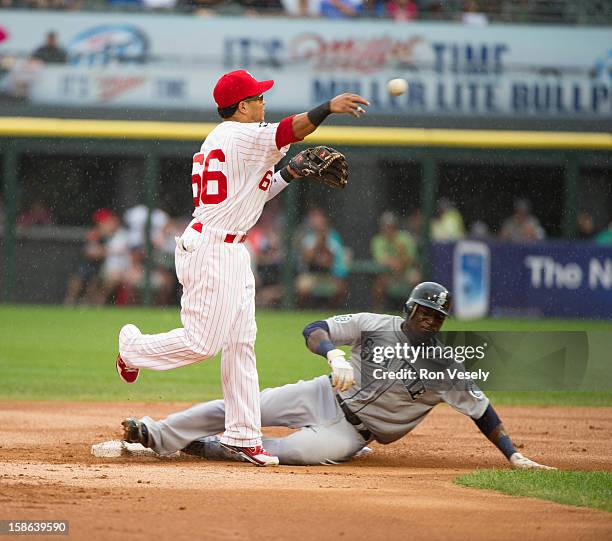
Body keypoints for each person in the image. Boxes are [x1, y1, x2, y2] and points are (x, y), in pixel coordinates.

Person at [115, 69, 369, 467]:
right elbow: (291, 129)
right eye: (258, 98)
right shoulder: (239, 134)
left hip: (231, 248)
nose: (264, 103)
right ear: (242, 106)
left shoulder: (231, 140)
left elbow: (255, 193)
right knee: (203, 343)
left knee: (240, 344)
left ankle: (242, 435)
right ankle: (131, 348)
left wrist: (290, 172)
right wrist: (328, 109)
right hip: (211, 246)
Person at [120, 281, 554, 470]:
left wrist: (513, 454)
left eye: (437, 317)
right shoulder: (374, 324)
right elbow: (315, 330)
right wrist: (332, 355)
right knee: (239, 406)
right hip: (322, 395)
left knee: (285, 453)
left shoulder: (447, 365)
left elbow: (482, 411)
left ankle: (203, 447)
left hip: (354, 435)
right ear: (409, 309)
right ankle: (155, 436)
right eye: (424, 312)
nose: (429, 321)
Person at [295, 207, 348, 308]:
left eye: (319, 218)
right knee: (302, 287)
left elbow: (331, 261)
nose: (317, 222)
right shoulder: (308, 236)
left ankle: (331, 313)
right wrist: (319, 242)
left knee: (341, 288)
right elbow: (308, 258)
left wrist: (324, 241)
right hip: (312, 273)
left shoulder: (334, 237)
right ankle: (306, 311)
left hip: (329, 274)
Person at [370, 211, 420, 312]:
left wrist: (400, 260)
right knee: (378, 285)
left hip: (405, 272)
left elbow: (410, 259)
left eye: (391, 226)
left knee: (417, 281)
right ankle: (377, 312)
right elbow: (382, 260)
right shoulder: (378, 240)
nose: (388, 229)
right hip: (388, 273)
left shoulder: (405, 238)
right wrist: (397, 262)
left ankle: (415, 312)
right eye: (386, 226)